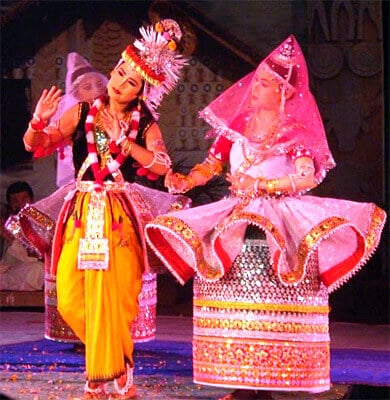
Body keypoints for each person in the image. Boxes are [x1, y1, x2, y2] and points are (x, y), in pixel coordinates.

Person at [145, 35, 387, 400]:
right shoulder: (238, 124)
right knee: (235, 294)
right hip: (237, 218)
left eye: (263, 83)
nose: (253, 87)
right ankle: (241, 380)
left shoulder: (296, 132)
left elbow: (308, 176)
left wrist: (265, 184)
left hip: (278, 221)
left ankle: (271, 380)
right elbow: (212, 165)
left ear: (285, 92)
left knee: (270, 300)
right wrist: (187, 179)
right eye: (255, 80)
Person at [22, 19, 186, 399]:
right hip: (80, 213)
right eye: (119, 72)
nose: (119, 82)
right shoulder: (81, 113)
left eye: (130, 81)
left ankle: (99, 379)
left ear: (142, 90)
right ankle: (120, 364)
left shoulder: (144, 122)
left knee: (116, 296)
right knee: (70, 297)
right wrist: (37, 121)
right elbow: (38, 144)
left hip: (118, 217)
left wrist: (123, 143)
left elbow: (162, 166)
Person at [54, 52, 109, 187]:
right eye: (87, 87)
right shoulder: (72, 123)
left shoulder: (117, 114)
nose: (96, 91)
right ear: (76, 94)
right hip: (87, 188)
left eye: (99, 84)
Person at [1, 181, 44, 291]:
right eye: (15, 201)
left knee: (39, 269)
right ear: (10, 204)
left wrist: (11, 240)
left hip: (28, 270)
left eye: (24, 199)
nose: (20, 204)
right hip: (6, 273)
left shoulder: (41, 224)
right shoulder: (6, 223)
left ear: (32, 200)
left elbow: (37, 257)